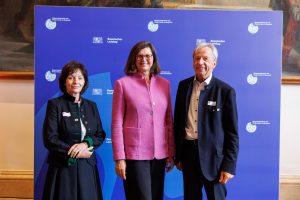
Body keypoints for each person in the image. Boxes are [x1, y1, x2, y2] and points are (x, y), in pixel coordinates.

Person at [174, 43, 239, 200]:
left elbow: (232, 133)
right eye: (197, 58)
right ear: (192, 62)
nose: (200, 62)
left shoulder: (225, 91)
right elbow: (178, 122)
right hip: (188, 156)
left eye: (205, 58)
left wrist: (229, 166)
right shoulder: (183, 86)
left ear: (214, 63)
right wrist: (178, 155)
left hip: (214, 161)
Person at [111, 41, 175, 200]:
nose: (144, 59)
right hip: (134, 155)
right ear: (133, 59)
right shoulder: (122, 84)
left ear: (153, 58)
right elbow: (117, 123)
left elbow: (168, 121)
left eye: (148, 55)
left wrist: (171, 152)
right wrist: (120, 158)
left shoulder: (164, 84)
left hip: (159, 154)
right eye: (139, 56)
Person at [42, 61, 106, 200]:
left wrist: (86, 144)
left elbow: (100, 135)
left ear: (84, 82)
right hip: (62, 168)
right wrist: (74, 152)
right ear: (64, 81)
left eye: (80, 77)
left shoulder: (91, 106)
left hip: (87, 168)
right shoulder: (55, 105)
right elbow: (50, 139)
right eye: (71, 77)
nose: (76, 81)